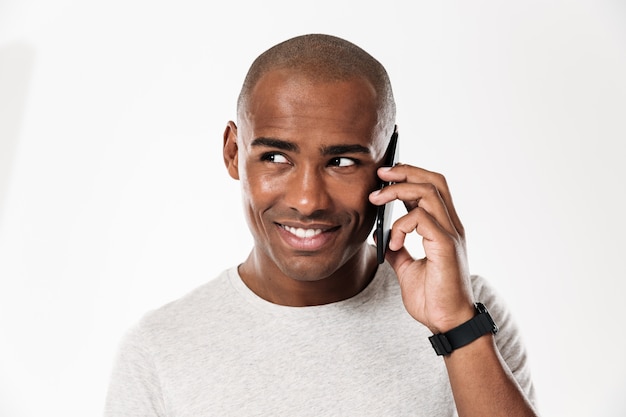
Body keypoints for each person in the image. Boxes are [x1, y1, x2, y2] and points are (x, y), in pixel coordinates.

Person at [104, 33, 538, 416]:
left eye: (342, 161)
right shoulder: (160, 349)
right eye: (276, 157)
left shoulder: (470, 312)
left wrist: (457, 327)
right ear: (234, 152)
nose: (307, 201)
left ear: (388, 163)